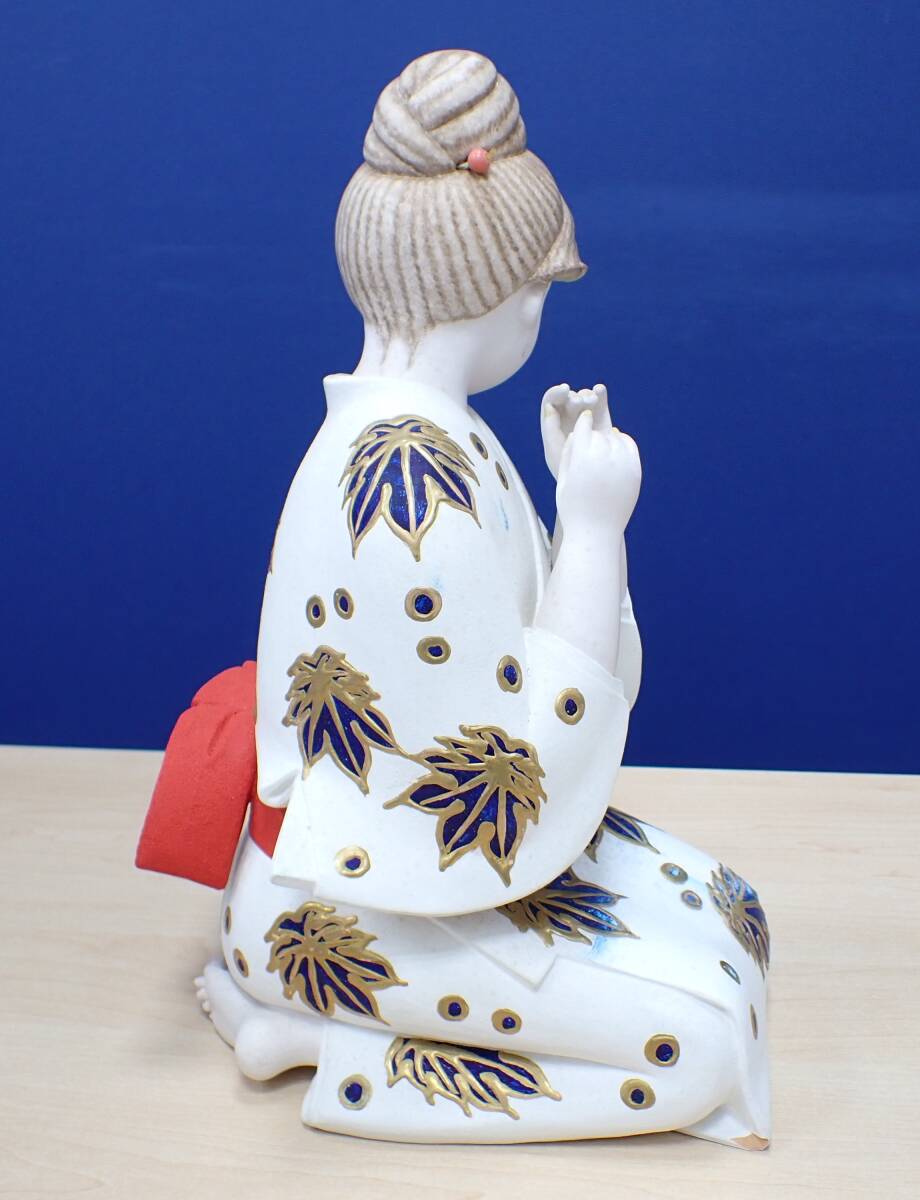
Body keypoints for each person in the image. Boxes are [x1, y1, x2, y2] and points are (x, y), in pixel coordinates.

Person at [138, 49, 770, 1148]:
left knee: (734, 915)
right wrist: (591, 532)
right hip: (354, 911)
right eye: (539, 290)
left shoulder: (427, 436)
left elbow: (511, 707)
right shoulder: (406, 482)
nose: (538, 314)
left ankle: (304, 1025)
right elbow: (505, 788)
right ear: (499, 292)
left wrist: (572, 522)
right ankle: (317, 1041)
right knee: (698, 1050)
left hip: (409, 873)